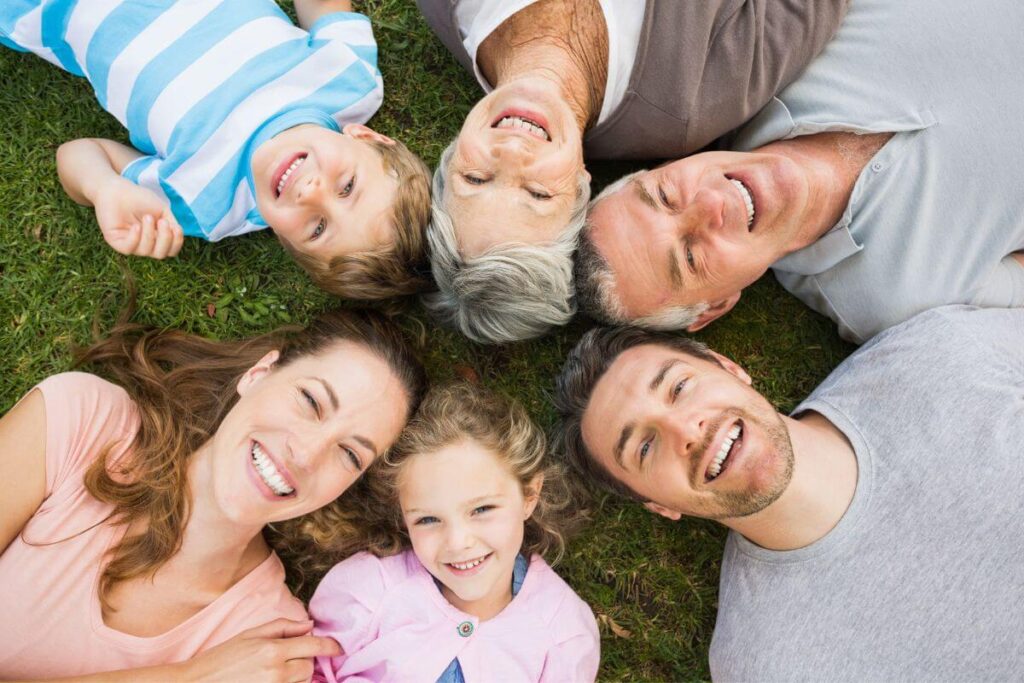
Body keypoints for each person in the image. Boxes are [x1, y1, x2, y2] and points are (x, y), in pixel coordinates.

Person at [553, 305, 1024, 680]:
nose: (686, 430)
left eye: (679, 387)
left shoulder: (932, 354)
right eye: (646, 447)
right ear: (659, 506)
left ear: (729, 367)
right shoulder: (761, 665)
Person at [0, 308, 427, 680]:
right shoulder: (81, 426)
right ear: (259, 374)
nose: (307, 453)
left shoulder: (268, 642)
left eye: (350, 454)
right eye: (311, 402)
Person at [578, 0, 1024, 342]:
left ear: (668, 164)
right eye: (691, 256)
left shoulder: (768, 51)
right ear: (714, 306)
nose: (712, 203)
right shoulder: (887, 303)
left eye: (665, 195)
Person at [417, 0, 848, 342]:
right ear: (581, 185)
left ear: (451, 155)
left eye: (474, 180)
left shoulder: (445, 8)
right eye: (537, 195)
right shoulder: (694, 99)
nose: (510, 155)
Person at [0, 0, 431, 299]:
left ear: (288, 243)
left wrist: (104, 188)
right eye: (347, 186)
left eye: (317, 228)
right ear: (368, 138)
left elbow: (79, 152)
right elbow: (322, 8)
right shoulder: (349, 81)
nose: (312, 193)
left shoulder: (202, 203)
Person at [311, 382, 599, 682]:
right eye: (428, 520)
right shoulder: (366, 592)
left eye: (482, 510)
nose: (458, 542)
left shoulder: (565, 634)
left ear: (529, 494)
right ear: (403, 516)